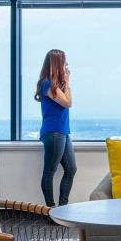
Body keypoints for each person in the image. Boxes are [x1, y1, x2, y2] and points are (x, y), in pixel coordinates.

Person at [34, 49, 76, 206]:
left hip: (63, 132)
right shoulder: (47, 83)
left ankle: (62, 207)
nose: (66, 64)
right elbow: (67, 103)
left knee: (71, 169)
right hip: (53, 132)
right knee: (49, 172)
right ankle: (50, 209)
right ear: (57, 63)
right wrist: (68, 83)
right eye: (64, 61)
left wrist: (65, 83)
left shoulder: (57, 85)